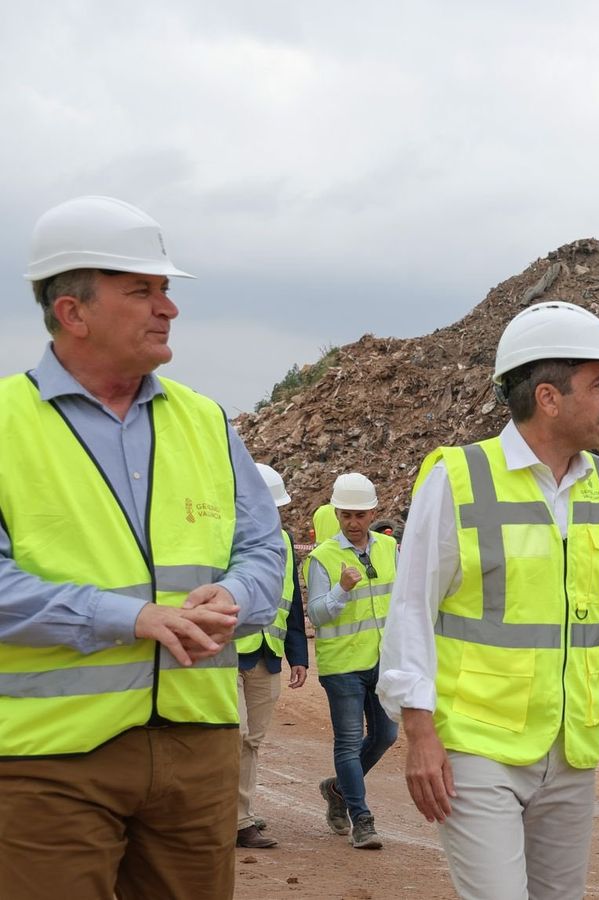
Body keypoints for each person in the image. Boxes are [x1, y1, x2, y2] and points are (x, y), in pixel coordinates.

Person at [0, 195, 285, 899]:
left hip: (199, 748)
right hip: (50, 760)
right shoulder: (6, 425)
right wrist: (125, 616)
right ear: (74, 312)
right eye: (143, 291)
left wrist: (239, 594)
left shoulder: (205, 421)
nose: (168, 308)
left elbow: (264, 550)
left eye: (165, 290)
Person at [379, 301, 599, 900]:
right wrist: (419, 733)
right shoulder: (458, 478)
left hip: (571, 744)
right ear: (549, 397)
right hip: (477, 747)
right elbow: (410, 612)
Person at [305, 472, 398, 850]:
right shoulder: (322, 557)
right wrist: (341, 590)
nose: (353, 523)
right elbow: (317, 614)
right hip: (342, 665)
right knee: (347, 742)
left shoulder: (389, 549)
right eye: (346, 515)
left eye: (360, 515)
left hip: (383, 660)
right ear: (337, 513)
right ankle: (362, 819)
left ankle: (338, 790)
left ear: (373, 511)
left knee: (386, 735)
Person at [234, 463, 310, 849]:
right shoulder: (222, 536)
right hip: (226, 654)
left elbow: (291, 600)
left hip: (268, 652)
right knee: (233, 735)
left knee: (252, 741)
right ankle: (217, 815)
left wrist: (298, 654)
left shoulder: (282, 540)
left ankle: (240, 819)